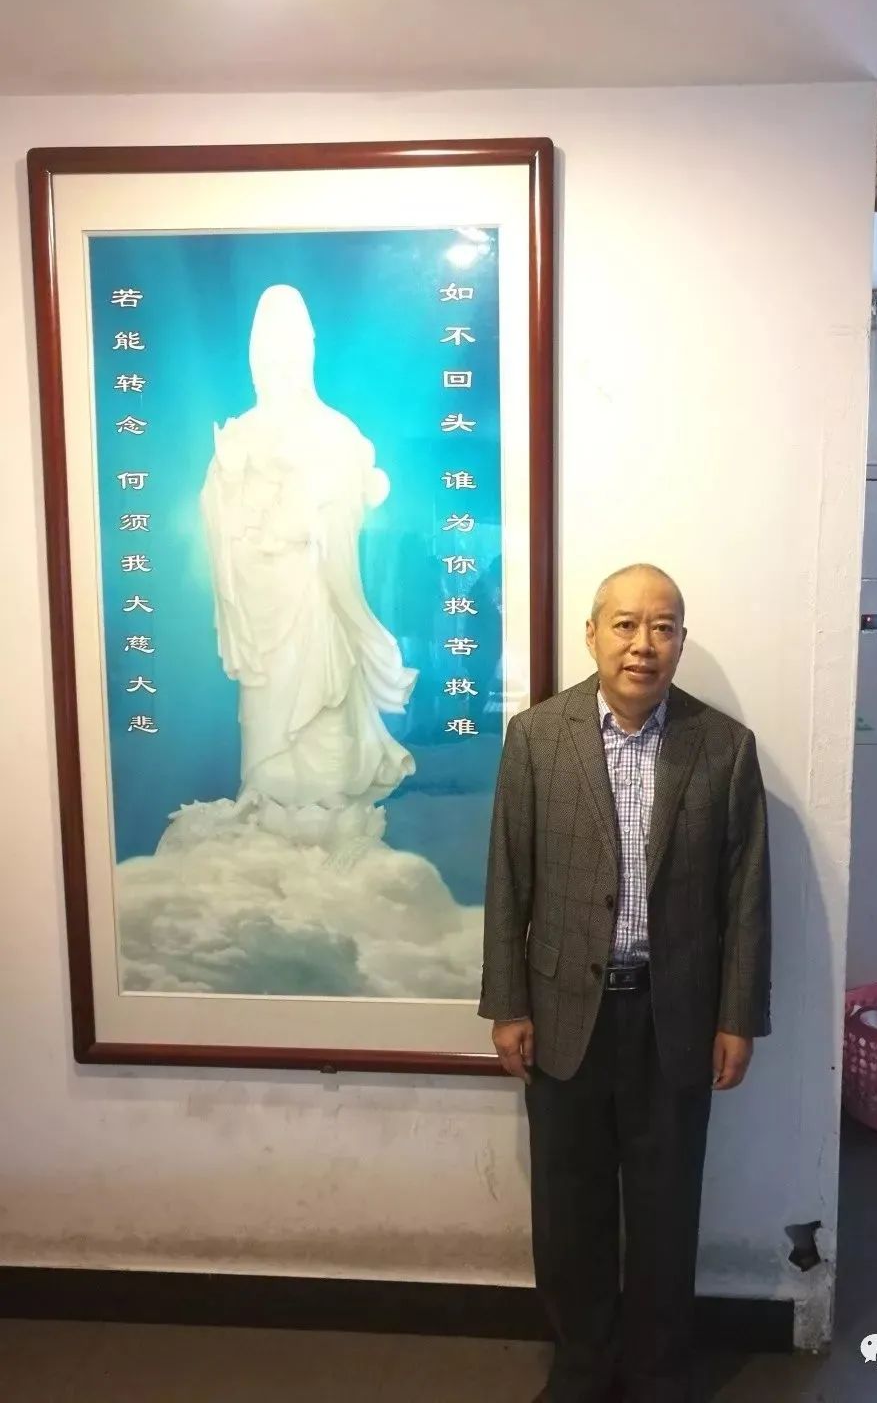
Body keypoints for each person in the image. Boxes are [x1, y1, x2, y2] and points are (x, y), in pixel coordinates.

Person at [480, 564, 771, 1403]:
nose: (645, 644)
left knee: (665, 1207)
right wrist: (508, 1004)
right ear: (593, 634)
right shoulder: (538, 738)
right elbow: (508, 880)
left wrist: (737, 1017)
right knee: (567, 1209)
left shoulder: (724, 747)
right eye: (626, 625)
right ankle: (581, 1366)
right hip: (564, 1013)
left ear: (681, 640)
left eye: (664, 627)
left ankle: (657, 1372)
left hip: (673, 1017)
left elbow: (746, 897)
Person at [201, 284, 416, 819]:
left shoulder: (332, 430)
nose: (278, 364)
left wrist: (314, 514)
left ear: (307, 352)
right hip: (260, 602)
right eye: (267, 351)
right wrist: (230, 484)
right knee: (266, 708)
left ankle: (331, 808)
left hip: (313, 598)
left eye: (288, 350)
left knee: (324, 702)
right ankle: (267, 796)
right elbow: (217, 513)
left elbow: (345, 513)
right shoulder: (242, 432)